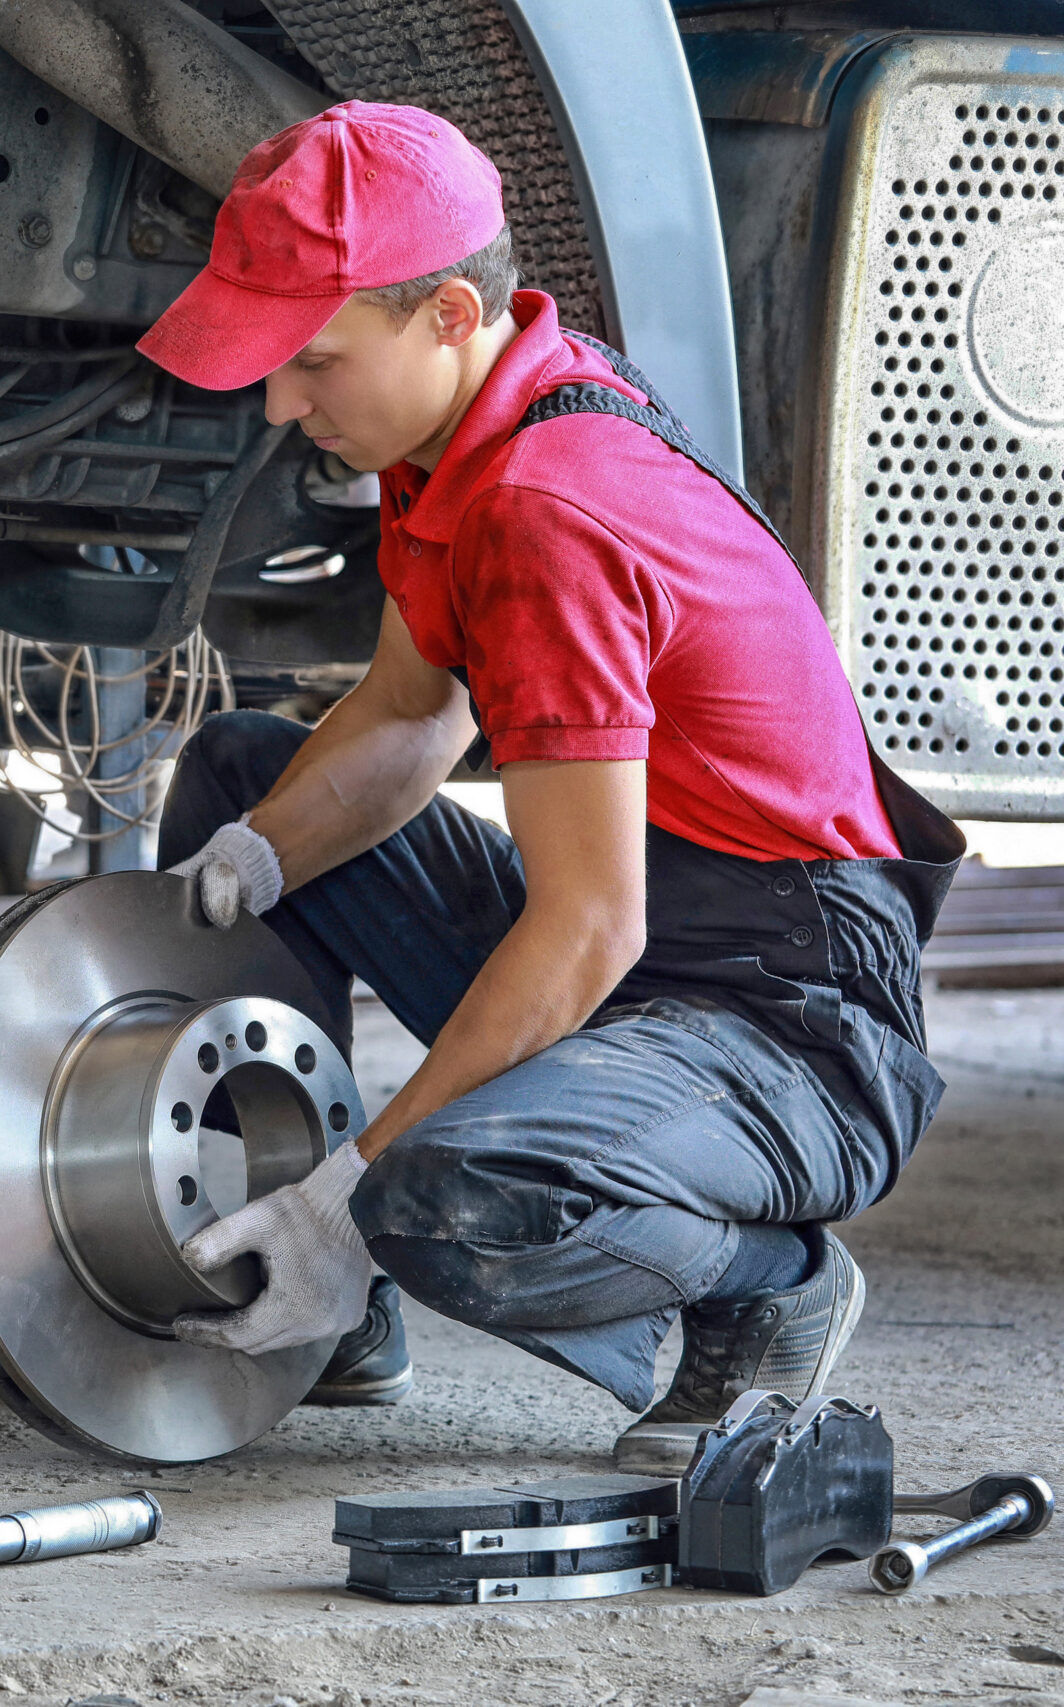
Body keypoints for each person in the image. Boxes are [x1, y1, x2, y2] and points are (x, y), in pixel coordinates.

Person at [137, 101, 962, 1470]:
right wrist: (258, 862)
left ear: (448, 315)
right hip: (658, 931)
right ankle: (321, 1292)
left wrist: (354, 1197)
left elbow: (590, 929)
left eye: (315, 362)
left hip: (792, 1018)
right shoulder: (458, 430)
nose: (283, 404)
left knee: (444, 1198)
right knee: (242, 779)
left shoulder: (545, 509)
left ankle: (769, 1289)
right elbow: (409, 712)